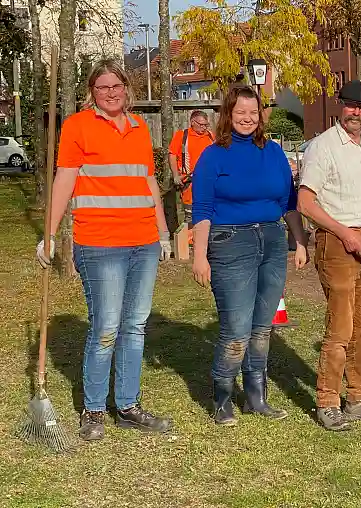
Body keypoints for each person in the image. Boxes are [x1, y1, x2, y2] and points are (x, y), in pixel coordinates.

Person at [35, 59, 173, 441]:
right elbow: (64, 179)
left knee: (135, 325)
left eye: (116, 86)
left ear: (126, 88)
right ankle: (94, 409)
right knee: (107, 327)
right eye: (102, 88)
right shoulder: (78, 125)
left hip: (143, 241)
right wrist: (49, 233)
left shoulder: (140, 127)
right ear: (92, 92)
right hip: (99, 244)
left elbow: (148, 182)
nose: (111, 93)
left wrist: (162, 231)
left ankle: (127, 405)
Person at [191, 85, 308, 426]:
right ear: (228, 114)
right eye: (240, 112)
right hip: (230, 242)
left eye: (253, 113)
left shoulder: (273, 152)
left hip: (272, 239)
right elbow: (202, 209)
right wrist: (200, 256)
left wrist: (299, 241)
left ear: (260, 116)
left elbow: (289, 202)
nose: (247, 118)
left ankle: (256, 396)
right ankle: (223, 396)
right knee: (237, 328)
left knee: (262, 326)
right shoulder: (213, 155)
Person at [298, 79, 361, 432]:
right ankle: (328, 400)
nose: (358, 113)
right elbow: (305, 203)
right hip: (336, 243)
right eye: (352, 106)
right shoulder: (323, 147)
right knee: (340, 326)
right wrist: (344, 232)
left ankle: (358, 397)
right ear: (341, 105)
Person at [169, 110, 214, 225]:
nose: (204, 128)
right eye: (201, 124)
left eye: (206, 125)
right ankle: (188, 241)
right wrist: (175, 175)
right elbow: (172, 155)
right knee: (190, 217)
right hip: (189, 183)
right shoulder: (182, 135)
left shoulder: (211, 136)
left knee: (209, 215)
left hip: (209, 183)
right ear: (192, 122)